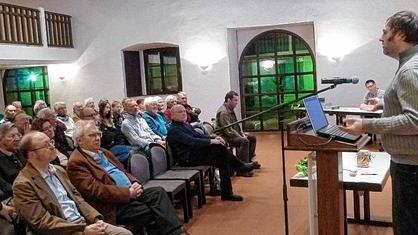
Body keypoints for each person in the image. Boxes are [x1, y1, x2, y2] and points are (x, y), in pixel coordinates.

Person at [341, 11, 418, 235]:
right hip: (410, 163)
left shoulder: (409, 71)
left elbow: (414, 120)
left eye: (385, 32)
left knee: (407, 228)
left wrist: (367, 125)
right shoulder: (411, 64)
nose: (380, 37)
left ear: (400, 34)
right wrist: (383, 107)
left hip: (410, 167)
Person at [67, 120, 185, 235]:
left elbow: (123, 170)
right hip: (112, 203)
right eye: (92, 135)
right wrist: (127, 193)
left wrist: (135, 182)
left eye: (99, 134)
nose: (97, 138)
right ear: (80, 141)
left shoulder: (103, 152)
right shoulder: (76, 162)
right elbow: (96, 190)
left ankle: (176, 232)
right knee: (147, 211)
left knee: (158, 193)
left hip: (130, 192)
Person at [13, 131, 132, 235]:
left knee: (124, 233)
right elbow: (41, 221)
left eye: (51, 142)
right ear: (32, 154)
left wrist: (95, 219)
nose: (52, 147)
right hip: (63, 230)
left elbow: (78, 199)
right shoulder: (23, 184)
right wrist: (82, 231)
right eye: (46, 145)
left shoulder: (58, 170)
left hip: (83, 222)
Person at [167, 104, 256, 201]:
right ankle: (241, 167)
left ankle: (227, 193)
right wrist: (211, 141)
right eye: (180, 112)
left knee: (223, 160)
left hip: (194, 154)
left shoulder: (184, 125)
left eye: (184, 111)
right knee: (219, 149)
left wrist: (213, 137)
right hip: (187, 159)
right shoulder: (174, 129)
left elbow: (198, 136)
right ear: (172, 115)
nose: (184, 113)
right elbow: (192, 141)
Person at [216, 91, 260, 176]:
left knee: (252, 137)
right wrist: (241, 137)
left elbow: (236, 125)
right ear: (229, 100)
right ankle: (242, 169)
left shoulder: (230, 109)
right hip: (225, 136)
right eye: (235, 100)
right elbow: (228, 130)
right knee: (244, 141)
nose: (237, 103)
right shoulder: (223, 113)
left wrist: (242, 133)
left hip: (231, 134)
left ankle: (248, 162)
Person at [98, 100, 132, 166]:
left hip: (119, 143)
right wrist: (114, 136)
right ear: (102, 108)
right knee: (132, 151)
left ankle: (114, 163)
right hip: (109, 147)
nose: (109, 109)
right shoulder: (99, 121)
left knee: (134, 151)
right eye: (107, 107)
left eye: (109, 107)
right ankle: (114, 163)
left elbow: (118, 132)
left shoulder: (111, 120)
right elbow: (106, 137)